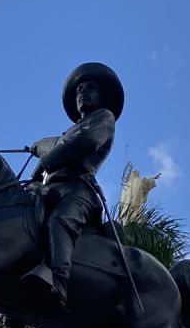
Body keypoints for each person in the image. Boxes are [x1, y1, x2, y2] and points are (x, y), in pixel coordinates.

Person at [23, 62, 124, 308]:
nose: (82, 93)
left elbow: (85, 141)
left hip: (78, 192)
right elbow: (59, 145)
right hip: (52, 190)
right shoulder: (69, 132)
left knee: (60, 223)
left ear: (102, 95)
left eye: (90, 88)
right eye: (79, 90)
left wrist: (46, 159)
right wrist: (38, 168)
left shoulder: (104, 118)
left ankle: (59, 283)